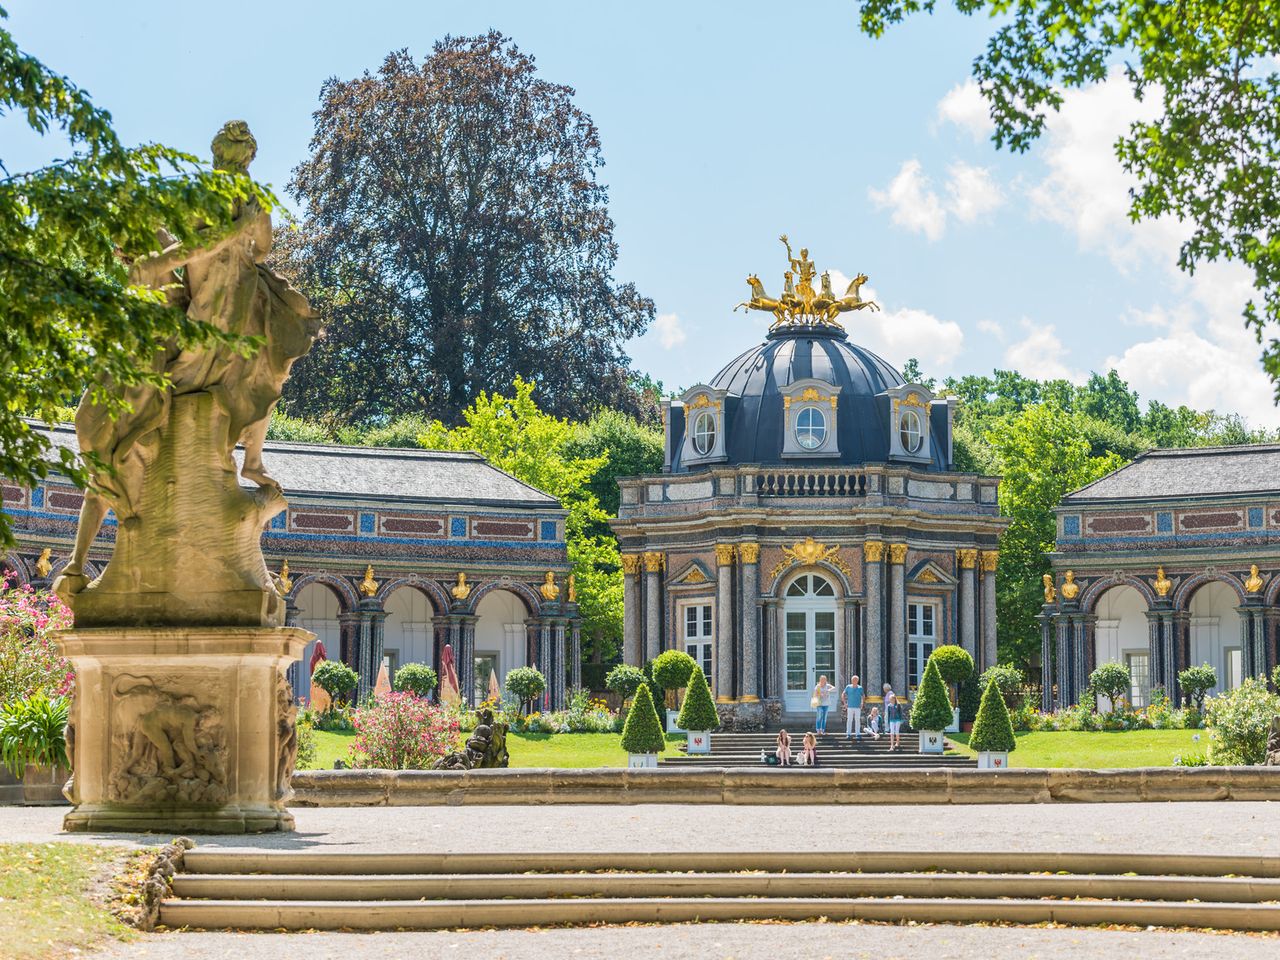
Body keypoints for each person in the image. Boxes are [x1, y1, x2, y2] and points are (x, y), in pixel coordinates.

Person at [842, 674, 865, 741]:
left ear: (857, 680)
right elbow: (843, 694)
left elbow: (863, 695)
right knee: (849, 720)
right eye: (853, 680)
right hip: (850, 706)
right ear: (851, 680)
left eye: (856, 680)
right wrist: (844, 703)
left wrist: (862, 703)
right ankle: (848, 733)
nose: (854, 681)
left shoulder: (860, 688)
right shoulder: (848, 687)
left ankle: (857, 734)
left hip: (857, 706)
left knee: (857, 720)